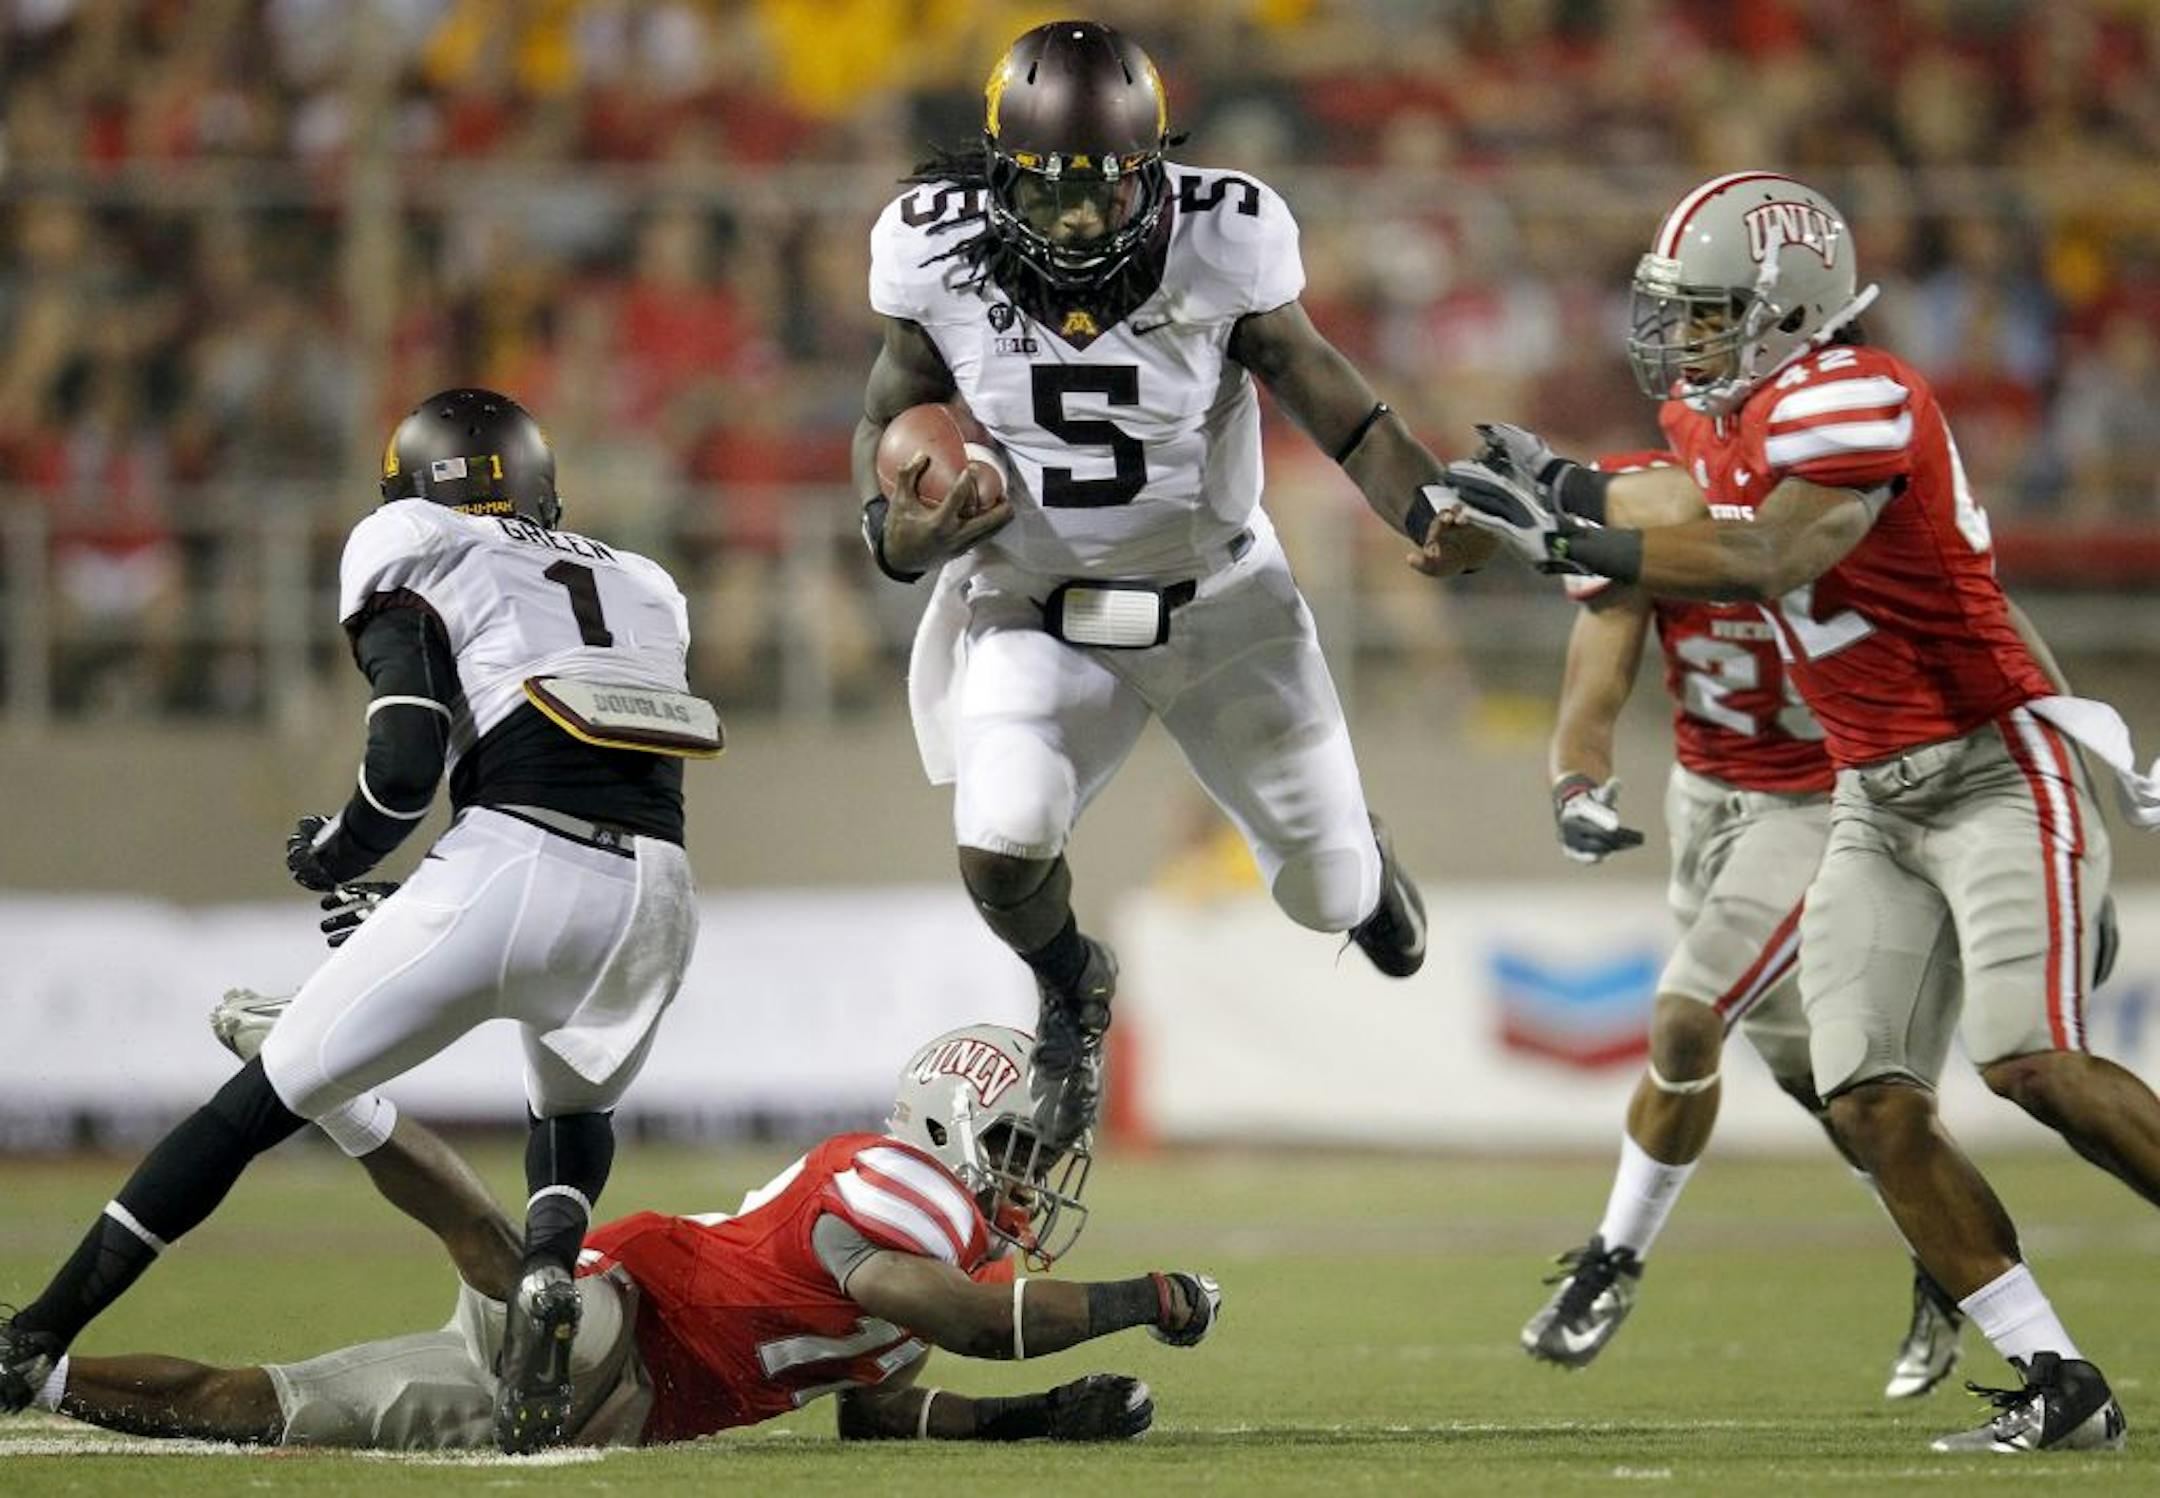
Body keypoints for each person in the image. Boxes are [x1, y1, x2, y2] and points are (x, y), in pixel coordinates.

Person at [1444, 172, 2160, 1453]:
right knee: (1868, 1101)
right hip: (1869, 797)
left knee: (2029, 1061)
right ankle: (2060, 1379)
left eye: (1711, 311)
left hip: (1988, 769)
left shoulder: (1857, 393)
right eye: (1679, 309)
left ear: (1790, 309)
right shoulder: (1712, 414)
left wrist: (1558, 537)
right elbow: (1680, 502)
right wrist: (1555, 485)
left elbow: (1766, 553)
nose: (1683, 336)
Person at [0, 389, 720, 1454]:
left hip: (513, 862)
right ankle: (547, 1276)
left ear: (413, 487)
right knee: (572, 1110)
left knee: (254, 1104)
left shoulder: (415, 539)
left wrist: (337, 851)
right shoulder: (645, 581)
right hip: (658, 893)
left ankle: (34, 1335)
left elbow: (403, 767)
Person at [853, 19, 1489, 1148]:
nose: (1081, 220)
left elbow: (1339, 407)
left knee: (1326, 896)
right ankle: (1070, 992)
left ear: (1154, 170)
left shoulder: (1225, 238)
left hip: (1220, 604)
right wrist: (902, 533)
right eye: (1051, 192)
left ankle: (1362, 858)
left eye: (1105, 189)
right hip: (1033, 605)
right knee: (1001, 837)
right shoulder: (930, 252)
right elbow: (884, 432)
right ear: (997, 178)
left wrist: (1427, 506)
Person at [13, 1013, 1219, 1449]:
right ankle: (330, 1086)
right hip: (619, 1313)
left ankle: (37, 1373)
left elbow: (875, 1405)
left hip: (598, 1407)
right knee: (519, 1278)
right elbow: (945, 1311)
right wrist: (1146, 1297)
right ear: (953, 1127)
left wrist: (1028, 1419)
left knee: (263, 1408)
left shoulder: (943, 1244)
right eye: (1019, 1147)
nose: (1032, 1177)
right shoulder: (899, 1184)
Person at [1520, 448, 1966, 1398]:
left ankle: (1612, 1260)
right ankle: (1951, 1252)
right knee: (1839, 1092)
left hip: (1819, 811)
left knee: (1688, 1013)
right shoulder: (1656, 501)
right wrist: (1575, 787)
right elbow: (1592, 688)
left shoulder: (1843, 506)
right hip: (1705, 811)